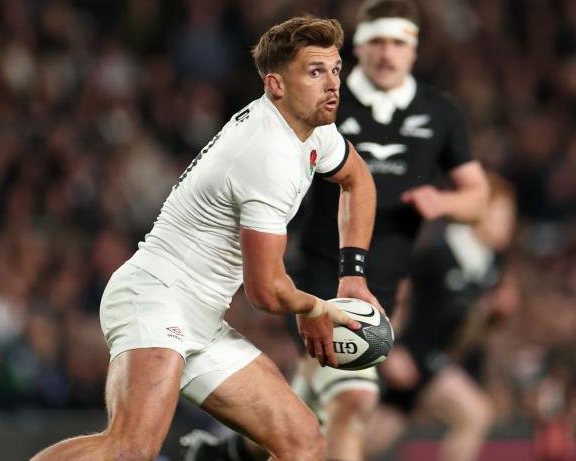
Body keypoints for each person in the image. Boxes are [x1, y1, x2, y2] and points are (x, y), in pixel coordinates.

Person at [31, 15, 381, 461]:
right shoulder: (266, 155)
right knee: (131, 448)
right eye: (315, 72)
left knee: (302, 441)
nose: (332, 84)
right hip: (155, 297)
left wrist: (352, 276)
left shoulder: (312, 129)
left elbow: (359, 180)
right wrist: (315, 308)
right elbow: (266, 291)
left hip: (201, 316)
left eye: (335, 70)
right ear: (275, 85)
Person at [181, 1, 489, 460]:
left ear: (414, 49)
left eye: (399, 43)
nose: (387, 54)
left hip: (382, 288)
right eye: (377, 42)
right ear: (358, 49)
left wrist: (441, 201)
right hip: (319, 277)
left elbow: (479, 196)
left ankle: (229, 453)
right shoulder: (325, 102)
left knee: (312, 414)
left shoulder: (439, 113)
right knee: (352, 402)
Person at [369, 173, 518, 461]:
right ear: (480, 212)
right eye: (503, 215)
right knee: (475, 415)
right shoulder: (438, 254)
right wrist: (389, 349)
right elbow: (392, 297)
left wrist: (495, 314)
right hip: (412, 356)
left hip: (435, 360)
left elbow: (470, 327)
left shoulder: (492, 264)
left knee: (368, 442)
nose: (508, 225)